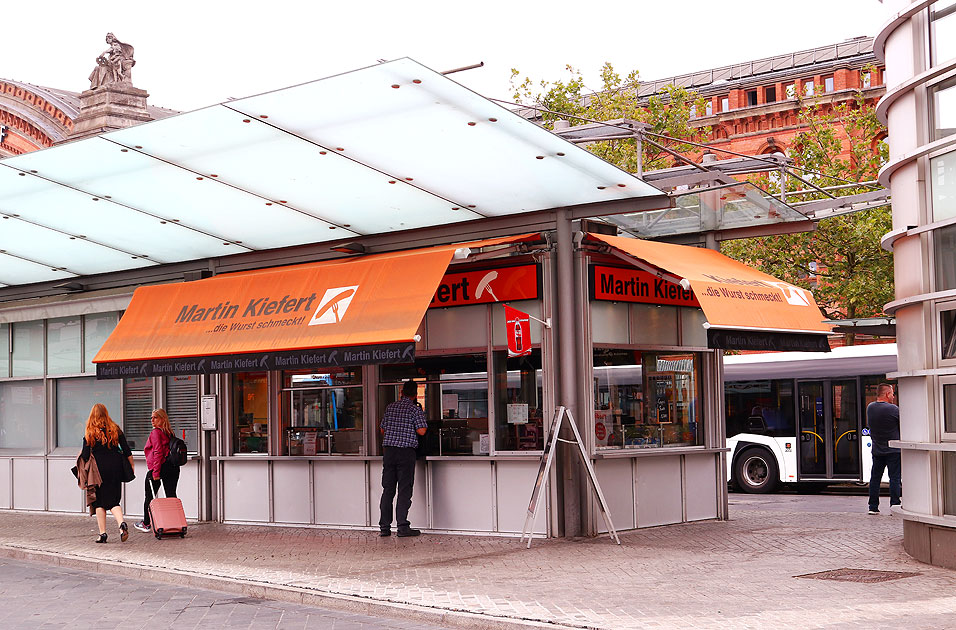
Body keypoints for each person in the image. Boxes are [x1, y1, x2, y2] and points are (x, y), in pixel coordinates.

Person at [378, 380, 427, 537]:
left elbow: (382, 429)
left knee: (388, 490)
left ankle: (384, 527)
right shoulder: (414, 409)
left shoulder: (390, 407)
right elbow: (422, 431)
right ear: (415, 394)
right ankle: (402, 527)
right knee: (404, 489)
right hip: (405, 453)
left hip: (389, 452)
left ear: (401, 392)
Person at [80, 404, 134, 543]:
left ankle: (102, 534)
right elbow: (127, 450)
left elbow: (85, 455)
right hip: (116, 468)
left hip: (98, 471)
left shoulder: (90, 432)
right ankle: (121, 524)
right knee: (114, 501)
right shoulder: (115, 429)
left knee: (99, 503)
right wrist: (131, 465)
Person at [134, 409, 180, 533]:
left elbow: (158, 452)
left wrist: (155, 472)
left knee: (149, 497)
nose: (152, 420)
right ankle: (175, 523)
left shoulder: (156, 432)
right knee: (171, 496)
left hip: (160, 467)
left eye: (155, 417)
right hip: (173, 468)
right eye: (151, 418)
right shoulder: (169, 433)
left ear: (162, 419)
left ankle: (146, 523)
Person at [866, 383, 902, 515]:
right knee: (894, 479)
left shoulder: (870, 407)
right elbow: (903, 425)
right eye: (892, 394)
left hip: (877, 450)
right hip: (893, 450)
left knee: (875, 479)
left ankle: (873, 507)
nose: (893, 396)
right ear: (887, 394)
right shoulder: (894, 409)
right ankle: (895, 505)